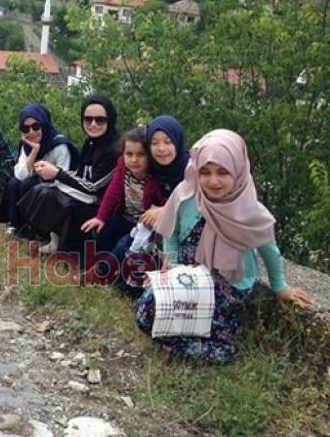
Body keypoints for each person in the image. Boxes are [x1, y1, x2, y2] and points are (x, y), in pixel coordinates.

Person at [134, 129, 313, 364]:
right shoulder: (186, 194)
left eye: (222, 172)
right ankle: (198, 338)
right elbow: (171, 234)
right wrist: (173, 267)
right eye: (205, 172)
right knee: (145, 311)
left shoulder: (250, 210)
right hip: (188, 276)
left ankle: (218, 346)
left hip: (229, 282)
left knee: (187, 319)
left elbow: (269, 250)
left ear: (237, 171)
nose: (213, 181)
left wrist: (281, 287)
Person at [18, 94, 119, 258]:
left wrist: (57, 173)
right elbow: (80, 175)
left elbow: (94, 186)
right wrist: (54, 173)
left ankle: (67, 250)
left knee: (51, 197)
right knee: (43, 190)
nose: (93, 124)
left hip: (103, 208)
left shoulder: (113, 149)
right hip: (88, 198)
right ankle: (57, 243)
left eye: (100, 120)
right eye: (88, 119)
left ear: (110, 120)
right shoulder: (92, 143)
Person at [78, 127, 168, 286]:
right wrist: (100, 217)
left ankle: (99, 273)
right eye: (129, 154)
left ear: (150, 156)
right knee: (101, 231)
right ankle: (104, 264)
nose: (134, 160)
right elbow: (113, 190)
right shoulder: (123, 167)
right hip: (125, 217)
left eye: (140, 155)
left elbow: (163, 206)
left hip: (143, 227)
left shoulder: (154, 179)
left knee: (123, 245)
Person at [0, 104, 79, 236]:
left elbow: (65, 178)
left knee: (28, 185)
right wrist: (34, 151)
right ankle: (17, 225)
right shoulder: (27, 144)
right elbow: (20, 175)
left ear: (44, 125)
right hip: (37, 179)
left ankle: (36, 229)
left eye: (36, 126)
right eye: (25, 128)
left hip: (58, 186)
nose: (31, 132)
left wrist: (44, 175)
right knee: (14, 183)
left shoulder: (59, 145)